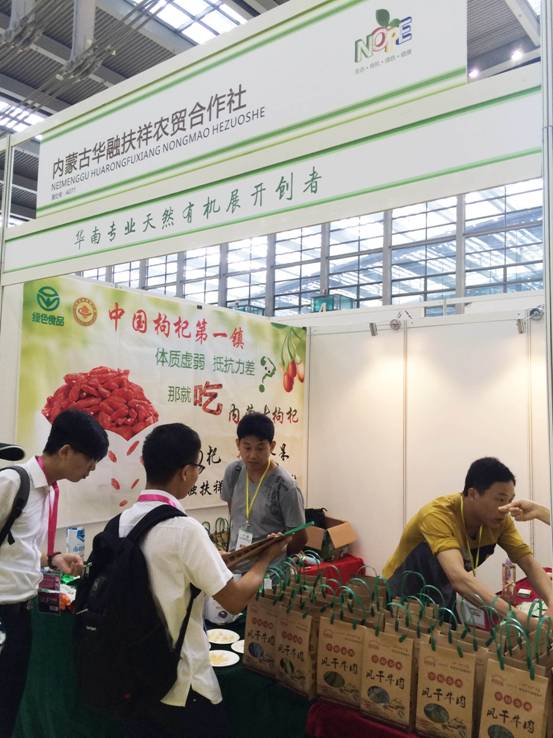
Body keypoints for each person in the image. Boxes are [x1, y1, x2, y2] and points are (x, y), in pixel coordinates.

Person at [120, 423, 287, 738]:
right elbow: (234, 600)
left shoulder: (124, 521)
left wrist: (217, 558)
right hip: (182, 681)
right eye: (197, 467)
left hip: (135, 673)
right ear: (185, 472)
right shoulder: (185, 530)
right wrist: (265, 558)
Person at [0, 409, 108, 738]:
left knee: (9, 702)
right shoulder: (12, 482)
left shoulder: (47, 491)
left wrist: (53, 558)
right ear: (65, 451)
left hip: (23, 612)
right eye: (90, 460)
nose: (92, 469)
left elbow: (17, 547)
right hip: (2, 611)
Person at [382, 457, 553, 627]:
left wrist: (552, 604)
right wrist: (526, 622)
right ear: (473, 494)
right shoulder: (437, 515)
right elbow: (459, 578)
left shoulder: (500, 520)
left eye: (510, 500)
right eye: (500, 499)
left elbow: (528, 562)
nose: (506, 509)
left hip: (442, 594)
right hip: (402, 594)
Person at [221, 411, 306, 570]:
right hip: (235, 565)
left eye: (260, 448)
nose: (252, 455)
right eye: (247, 447)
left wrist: (276, 559)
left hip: (270, 571)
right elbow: (235, 515)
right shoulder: (234, 472)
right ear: (238, 444)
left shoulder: (285, 486)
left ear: (272, 446)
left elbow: (300, 537)